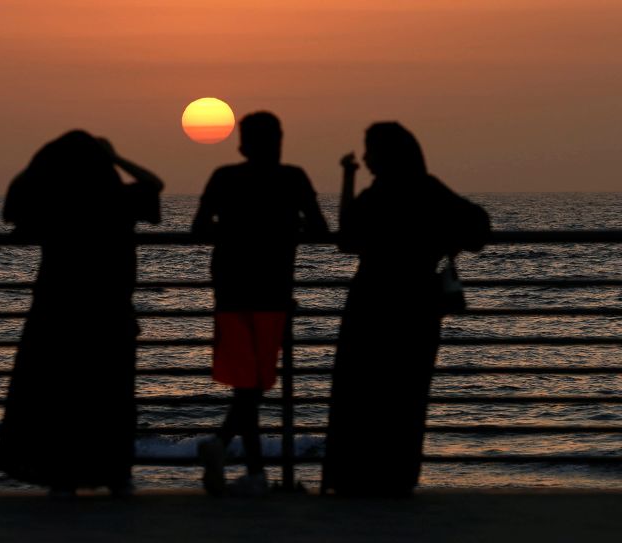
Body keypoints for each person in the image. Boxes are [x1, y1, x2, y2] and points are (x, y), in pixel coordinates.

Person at [322, 122, 490, 497]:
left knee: (361, 393)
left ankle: (353, 476)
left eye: (370, 151)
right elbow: (478, 228)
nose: (366, 158)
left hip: (371, 303)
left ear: (384, 155)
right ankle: (397, 476)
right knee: (406, 394)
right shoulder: (428, 189)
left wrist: (347, 177)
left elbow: (347, 238)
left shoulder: (377, 195)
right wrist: (445, 242)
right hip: (417, 305)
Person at [0, 130, 163, 497]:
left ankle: (63, 478)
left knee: (61, 399)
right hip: (110, 315)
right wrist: (116, 157)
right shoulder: (119, 200)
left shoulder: (53, 205)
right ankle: (115, 475)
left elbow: (12, 207)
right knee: (112, 398)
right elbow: (154, 183)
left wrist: (40, 162)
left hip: (57, 316)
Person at [192, 111, 329, 496]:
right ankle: (234, 455)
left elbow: (199, 229)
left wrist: (232, 229)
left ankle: (247, 466)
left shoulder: (224, 177)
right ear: (278, 142)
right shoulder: (294, 178)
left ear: (242, 145)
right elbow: (321, 229)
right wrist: (287, 227)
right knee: (253, 384)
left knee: (245, 384)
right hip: (272, 291)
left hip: (231, 289)